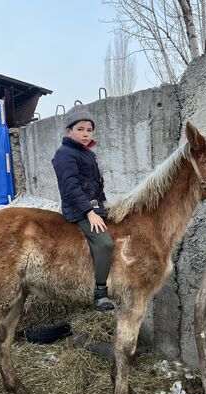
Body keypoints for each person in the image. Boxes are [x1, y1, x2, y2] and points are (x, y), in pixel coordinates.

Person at [52, 106, 115, 311]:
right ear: (69, 132)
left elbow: (97, 185)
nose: (86, 134)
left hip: (93, 207)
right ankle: (100, 292)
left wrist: (104, 207)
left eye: (89, 130)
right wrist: (89, 213)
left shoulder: (88, 154)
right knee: (104, 243)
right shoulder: (64, 154)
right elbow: (70, 187)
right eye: (80, 129)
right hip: (77, 209)